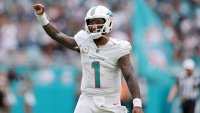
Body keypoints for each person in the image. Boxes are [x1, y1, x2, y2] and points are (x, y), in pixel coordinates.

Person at [33, 4, 143, 113]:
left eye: (98, 22)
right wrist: (42, 17)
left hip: (111, 102)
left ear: (108, 22)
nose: (94, 26)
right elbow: (57, 35)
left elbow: (129, 75)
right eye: (91, 22)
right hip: (88, 100)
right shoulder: (83, 40)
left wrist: (137, 103)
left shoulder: (119, 47)